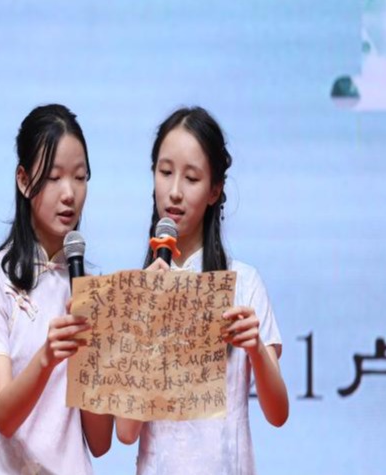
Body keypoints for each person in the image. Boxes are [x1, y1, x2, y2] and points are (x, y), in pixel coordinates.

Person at [116, 106, 288, 474]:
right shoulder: (137, 292)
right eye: (165, 173)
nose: (175, 191)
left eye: (191, 178)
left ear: (214, 190)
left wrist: (256, 349)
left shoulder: (243, 282)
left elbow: (277, 413)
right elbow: (126, 432)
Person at [0, 104, 113, 474]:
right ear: (23, 179)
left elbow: (100, 442)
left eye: (80, 178)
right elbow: (3, 415)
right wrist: (47, 357)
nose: (69, 194)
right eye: (53, 177)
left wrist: (93, 355)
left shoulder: (91, 290)